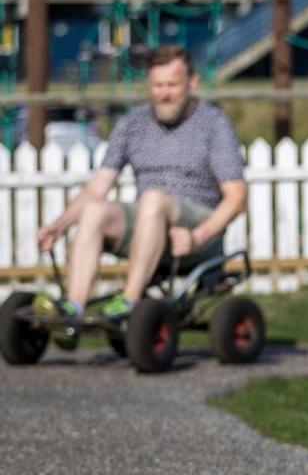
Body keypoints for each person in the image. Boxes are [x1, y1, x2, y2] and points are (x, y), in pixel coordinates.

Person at [35, 45, 246, 343]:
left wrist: (199, 235)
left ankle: (129, 301)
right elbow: (98, 186)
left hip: (195, 225)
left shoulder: (214, 124)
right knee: (95, 210)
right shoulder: (132, 123)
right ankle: (74, 307)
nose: (164, 93)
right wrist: (59, 225)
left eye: (172, 85)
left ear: (192, 83)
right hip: (150, 224)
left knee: (153, 199)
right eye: (157, 85)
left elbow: (236, 196)